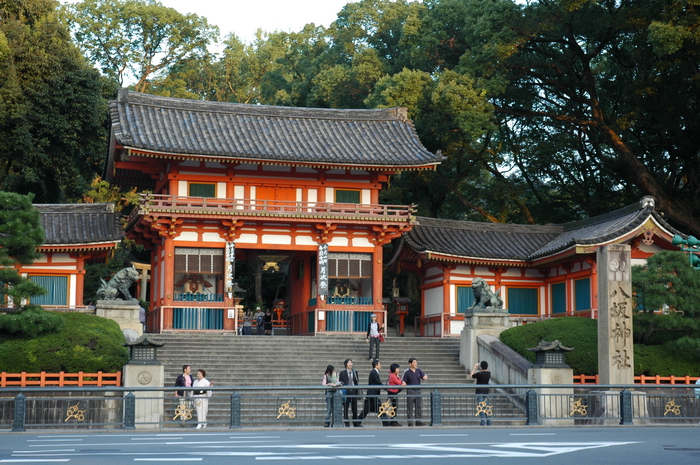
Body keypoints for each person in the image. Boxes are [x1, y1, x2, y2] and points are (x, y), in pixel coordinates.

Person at [358, 360, 387, 426]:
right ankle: (386, 422)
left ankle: (386, 422)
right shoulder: (374, 372)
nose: (380, 365)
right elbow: (378, 382)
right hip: (372, 395)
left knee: (376, 409)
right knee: (377, 409)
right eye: (379, 364)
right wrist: (386, 388)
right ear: (376, 365)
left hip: (373, 395)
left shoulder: (375, 372)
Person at [402, 358, 427, 426]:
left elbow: (423, 376)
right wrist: (403, 383)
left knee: (418, 406)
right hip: (411, 391)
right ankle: (410, 422)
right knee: (410, 407)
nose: (416, 364)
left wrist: (425, 377)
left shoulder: (418, 370)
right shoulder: (407, 372)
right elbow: (404, 380)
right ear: (410, 364)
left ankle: (418, 421)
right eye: (414, 362)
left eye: (416, 362)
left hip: (418, 390)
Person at [338, 359, 361, 427]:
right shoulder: (342, 373)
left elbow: (356, 381)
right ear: (346, 365)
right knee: (346, 408)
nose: (350, 364)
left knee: (354, 408)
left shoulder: (355, 372)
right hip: (346, 391)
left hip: (353, 391)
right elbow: (341, 382)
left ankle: (355, 423)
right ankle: (347, 423)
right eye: (349, 363)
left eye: (351, 363)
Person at [471, 360, 492, 426]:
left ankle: (482, 422)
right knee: (487, 407)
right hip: (486, 392)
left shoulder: (479, 374)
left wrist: (475, 367)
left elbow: (471, 375)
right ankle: (489, 422)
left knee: (481, 408)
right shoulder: (489, 373)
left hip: (479, 392)